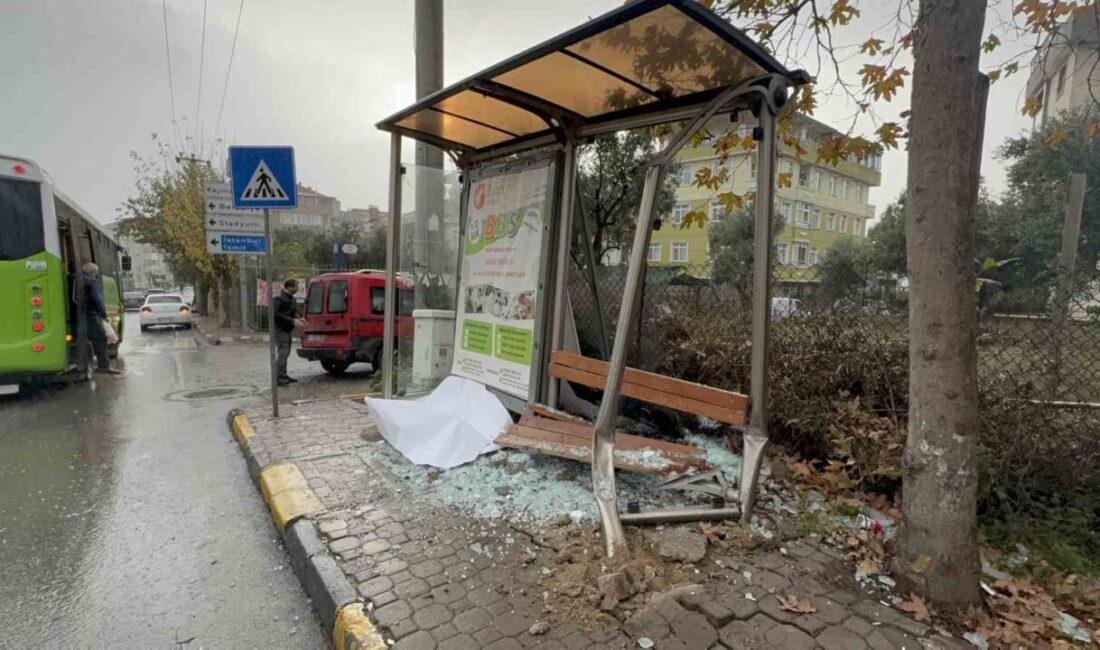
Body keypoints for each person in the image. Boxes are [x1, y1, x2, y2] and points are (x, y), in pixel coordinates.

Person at [81, 262, 119, 375]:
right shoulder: (92, 282)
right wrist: (103, 315)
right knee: (101, 338)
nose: (96, 275)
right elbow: (98, 300)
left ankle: (85, 363)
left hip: (77, 316)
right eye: (96, 273)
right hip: (90, 315)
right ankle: (103, 366)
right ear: (93, 273)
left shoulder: (76, 279)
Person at [273, 278, 305, 386]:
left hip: (288, 329)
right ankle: (280, 378)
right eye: (296, 286)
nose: (297, 289)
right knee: (283, 353)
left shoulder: (292, 299)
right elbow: (275, 315)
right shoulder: (278, 299)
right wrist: (292, 320)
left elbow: (292, 313)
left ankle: (283, 375)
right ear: (289, 287)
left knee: (286, 353)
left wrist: (299, 319)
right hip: (280, 329)